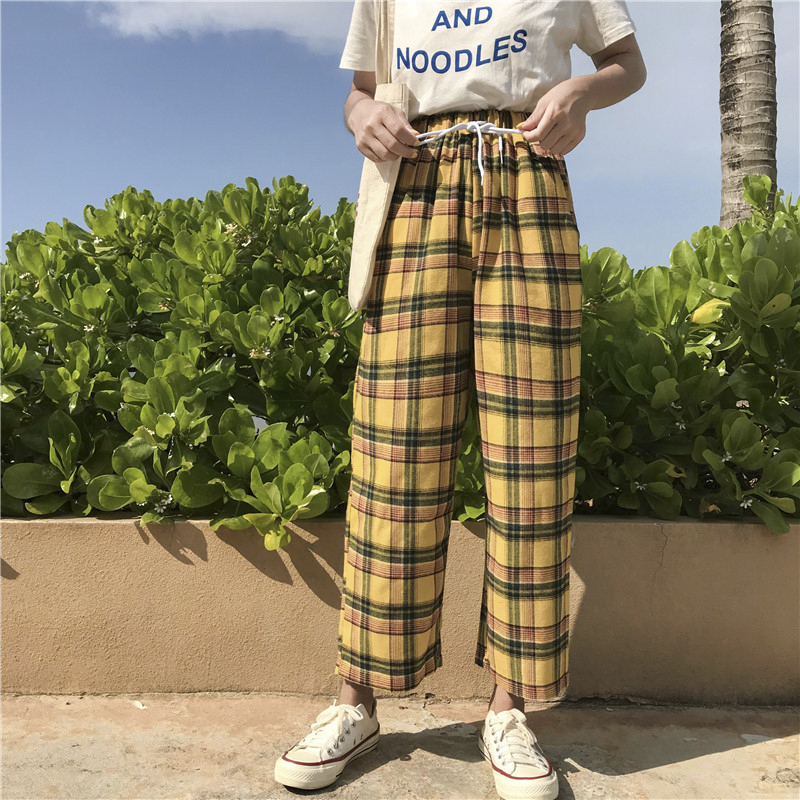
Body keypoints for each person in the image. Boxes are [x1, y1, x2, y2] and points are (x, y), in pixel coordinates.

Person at [275, 2, 646, 798]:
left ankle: (509, 710)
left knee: (531, 454)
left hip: (528, 178)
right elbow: (361, 91)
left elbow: (628, 64)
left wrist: (580, 93)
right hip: (415, 185)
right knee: (393, 451)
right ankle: (355, 701)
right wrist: (361, 116)